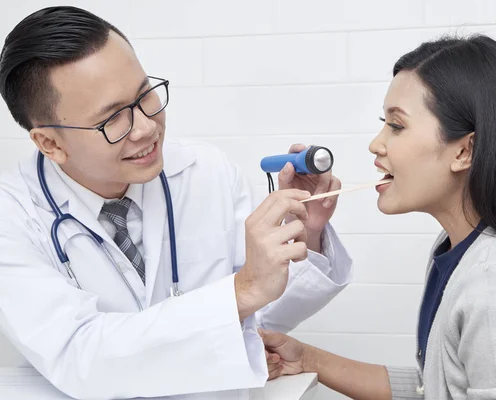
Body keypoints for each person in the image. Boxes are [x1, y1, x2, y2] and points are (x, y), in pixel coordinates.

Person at [0, 6, 352, 399]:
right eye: (113, 119)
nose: (148, 127)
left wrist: (308, 235)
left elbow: (257, 320)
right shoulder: (12, 216)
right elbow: (77, 356)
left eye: (144, 95)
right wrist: (240, 291)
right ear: (50, 142)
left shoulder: (208, 172)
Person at [261, 35, 496, 400]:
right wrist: (307, 358)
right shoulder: (459, 249)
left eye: (397, 125)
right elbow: (438, 387)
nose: (376, 144)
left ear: (464, 150)